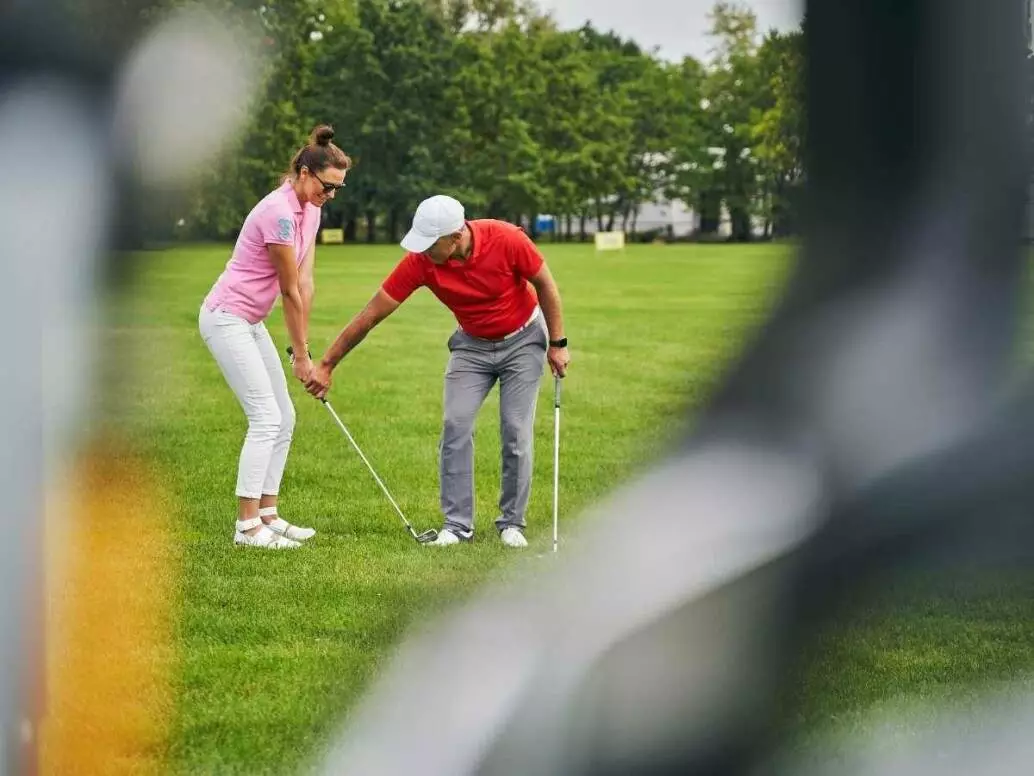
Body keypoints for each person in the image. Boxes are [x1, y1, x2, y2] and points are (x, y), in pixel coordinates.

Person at [304, 194, 570, 548]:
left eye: (431, 244)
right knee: (455, 425)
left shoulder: (507, 239)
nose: (424, 251)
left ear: (456, 237)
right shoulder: (422, 262)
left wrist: (558, 343)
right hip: (471, 347)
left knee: (515, 430)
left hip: (523, 341)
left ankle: (511, 523)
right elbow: (372, 313)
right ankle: (458, 525)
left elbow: (546, 285)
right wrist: (327, 363)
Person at [198, 124, 351, 549]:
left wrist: (303, 346)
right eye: (327, 185)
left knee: (285, 417)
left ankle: (268, 514)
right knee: (265, 418)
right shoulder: (278, 213)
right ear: (304, 172)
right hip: (226, 317)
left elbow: (305, 281)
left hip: (251, 322)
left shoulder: (312, 209)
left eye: (338, 189)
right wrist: (301, 356)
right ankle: (247, 528)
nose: (331, 195)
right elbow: (287, 290)